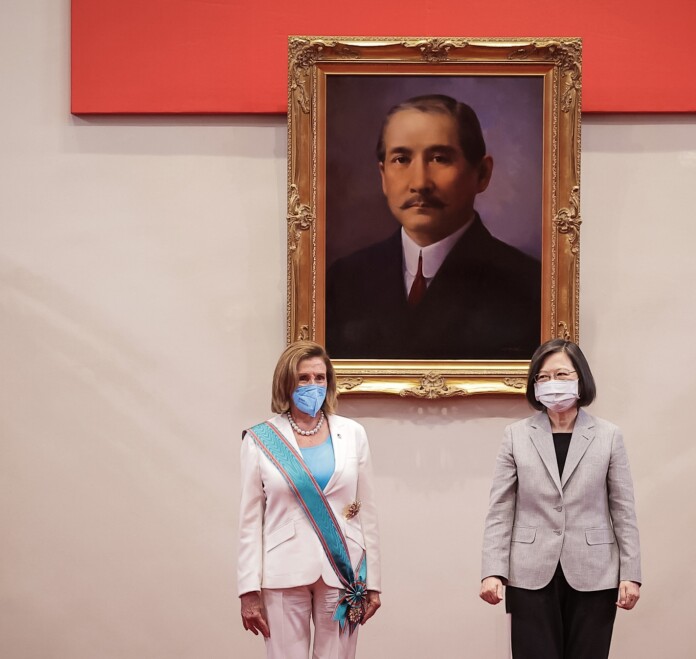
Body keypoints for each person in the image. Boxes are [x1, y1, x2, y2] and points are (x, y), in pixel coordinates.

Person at [325, 93, 541, 360]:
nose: (419, 182)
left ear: (482, 174)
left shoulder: (529, 286)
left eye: (439, 158)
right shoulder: (342, 281)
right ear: (383, 176)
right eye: (401, 160)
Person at [480, 339, 641, 659]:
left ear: (581, 379)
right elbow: (500, 508)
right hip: (529, 573)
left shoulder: (609, 436)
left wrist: (631, 574)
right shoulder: (516, 436)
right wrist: (492, 570)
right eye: (543, 377)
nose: (553, 383)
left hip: (595, 573)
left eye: (563, 375)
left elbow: (623, 509)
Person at [238, 341, 381, 659]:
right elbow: (249, 522)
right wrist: (248, 589)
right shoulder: (260, 440)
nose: (313, 386)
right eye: (304, 378)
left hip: (343, 570)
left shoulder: (353, 433)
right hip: (283, 571)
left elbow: (366, 511)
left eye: (320, 378)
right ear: (286, 382)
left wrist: (374, 581)